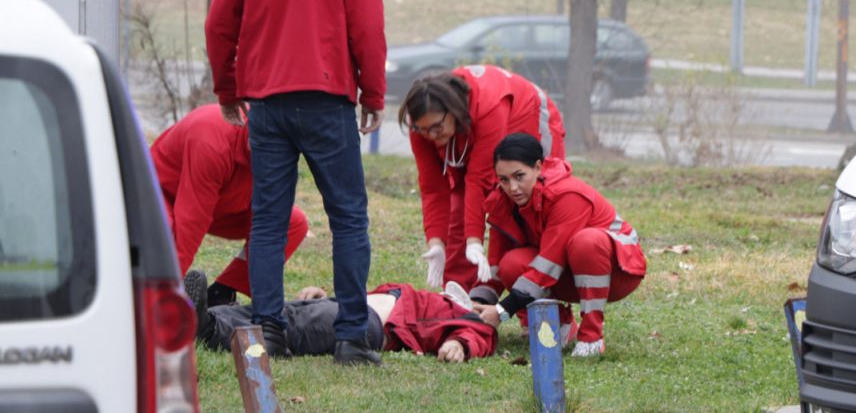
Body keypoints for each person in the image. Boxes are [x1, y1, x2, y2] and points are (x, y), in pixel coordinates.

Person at [205, 0, 387, 365]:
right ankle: (351, 336)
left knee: (267, 220)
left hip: (266, 102)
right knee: (348, 216)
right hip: (327, 99)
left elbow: (219, 23)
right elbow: (367, 23)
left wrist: (228, 89)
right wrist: (372, 93)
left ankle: (269, 332)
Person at [396, 65, 566, 297]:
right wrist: (436, 243)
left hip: (527, 116)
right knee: (459, 207)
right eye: (423, 130)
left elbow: (479, 180)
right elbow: (433, 189)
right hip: (470, 128)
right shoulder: (424, 125)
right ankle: (458, 296)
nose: (431, 137)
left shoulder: (488, 108)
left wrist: (474, 241)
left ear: (453, 111)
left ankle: (538, 303)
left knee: (527, 201)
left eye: (437, 128)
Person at [475, 133, 646, 357]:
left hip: (619, 272)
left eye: (519, 176)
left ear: (538, 167)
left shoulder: (567, 194)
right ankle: (560, 326)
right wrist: (475, 304)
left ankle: (592, 338)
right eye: (504, 179)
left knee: (586, 242)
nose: (512, 187)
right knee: (511, 263)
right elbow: (496, 265)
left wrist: (501, 311)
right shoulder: (503, 200)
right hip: (566, 270)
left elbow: (549, 264)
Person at [150, 104, 308, 306]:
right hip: (164, 195)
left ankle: (222, 293)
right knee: (169, 230)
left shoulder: (279, 152)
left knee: (292, 223)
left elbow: (268, 220)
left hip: (222, 204)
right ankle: (155, 295)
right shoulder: (211, 139)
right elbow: (191, 220)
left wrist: (266, 302)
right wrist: (167, 295)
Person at [186, 270, 497, 363]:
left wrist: (461, 345)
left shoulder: (465, 319)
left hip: (367, 325)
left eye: (480, 305)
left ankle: (210, 330)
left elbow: (479, 336)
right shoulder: (424, 295)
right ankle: (196, 314)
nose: (476, 308)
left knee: (294, 327)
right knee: (272, 309)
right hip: (347, 306)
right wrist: (325, 294)